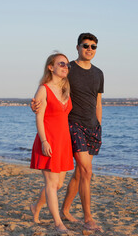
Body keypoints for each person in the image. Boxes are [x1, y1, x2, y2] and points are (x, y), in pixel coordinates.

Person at [31, 33, 104, 231]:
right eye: (86, 45)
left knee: (68, 179)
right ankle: (76, 220)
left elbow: (97, 101)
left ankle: (42, 207)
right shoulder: (66, 71)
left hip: (80, 132)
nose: (90, 49)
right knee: (83, 171)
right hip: (65, 130)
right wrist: (35, 106)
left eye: (93, 46)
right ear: (78, 47)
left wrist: (98, 124)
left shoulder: (93, 75)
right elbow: (43, 101)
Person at [30, 53, 74, 233]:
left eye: (67, 65)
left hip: (64, 141)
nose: (65, 67)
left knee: (58, 184)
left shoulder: (66, 88)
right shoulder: (43, 89)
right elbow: (39, 118)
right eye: (61, 64)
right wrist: (44, 141)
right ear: (51, 67)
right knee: (51, 183)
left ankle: (35, 206)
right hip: (48, 139)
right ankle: (58, 224)